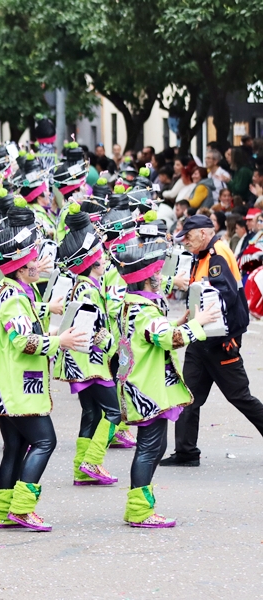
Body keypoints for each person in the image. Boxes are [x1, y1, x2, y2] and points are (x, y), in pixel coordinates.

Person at [0, 198, 87, 531]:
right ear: (21, 267)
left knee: (15, 446)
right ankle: (22, 509)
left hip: (6, 385)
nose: (39, 266)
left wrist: (45, 310)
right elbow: (23, 341)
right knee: (44, 442)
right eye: (33, 263)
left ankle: (5, 511)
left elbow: (19, 326)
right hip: (17, 387)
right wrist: (61, 341)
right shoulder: (14, 297)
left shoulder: (7, 291)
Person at [109, 236, 219, 526]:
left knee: (153, 447)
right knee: (150, 448)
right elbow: (167, 339)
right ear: (147, 279)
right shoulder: (144, 310)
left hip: (140, 385)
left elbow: (153, 334)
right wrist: (199, 322)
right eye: (156, 274)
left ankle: (138, 508)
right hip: (147, 389)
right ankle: (140, 511)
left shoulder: (131, 304)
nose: (160, 277)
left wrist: (180, 322)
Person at [163, 215, 263, 466]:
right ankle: (186, 452)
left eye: (188, 236)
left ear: (204, 233)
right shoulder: (203, 253)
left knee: (239, 396)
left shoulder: (217, 254)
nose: (184, 241)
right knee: (188, 394)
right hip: (202, 336)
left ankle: (186, 451)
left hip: (220, 340)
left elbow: (224, 296)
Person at [55, 205, 121, 486]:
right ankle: (92, 461)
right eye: (102, 256)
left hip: (81, 359)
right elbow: (92, 328)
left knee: (92, 412)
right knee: (115, 413)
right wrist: (113, 347)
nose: (106, 258)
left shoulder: (83, 283)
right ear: (95, 261)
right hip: (89, 360)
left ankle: (81, 469)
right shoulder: (88, 287)